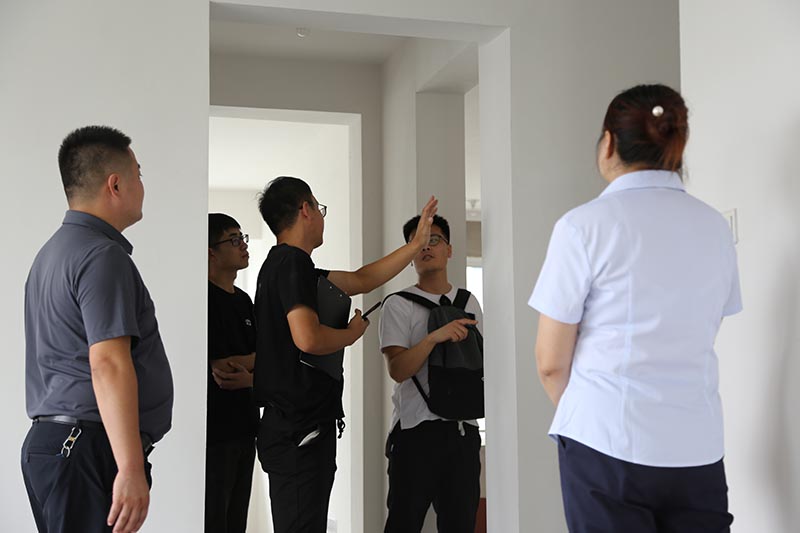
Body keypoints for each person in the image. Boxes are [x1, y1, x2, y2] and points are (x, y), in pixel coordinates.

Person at [529, 84, 741, 532]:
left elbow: (550, 363)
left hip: (606, 443)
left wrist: (593, 413)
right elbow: (703, 328)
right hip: (697, 447)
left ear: (608, 143)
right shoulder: (715, 228)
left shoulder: (583, 227)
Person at [254, 176, 438, 533]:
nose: (322, 217)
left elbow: (361, 279)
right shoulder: (292, 263)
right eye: (319, 208)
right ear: (306, 209)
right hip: (299, 430)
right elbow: (308, 338)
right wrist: (351, 335)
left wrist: (416, 245)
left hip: (294, 428)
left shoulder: (286, 266)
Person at [22, 125, 174, 533]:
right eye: (138, 174)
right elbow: (107, 362)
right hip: (84, 448)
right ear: (115, 184)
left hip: (58, 445)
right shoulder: (101, 256)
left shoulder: (51, 255)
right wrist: (130, 467)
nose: (142, 185)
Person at [379, 214, 483, 533]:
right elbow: (398, 370)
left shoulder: (468, 302)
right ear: (411, 254)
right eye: (419, 242)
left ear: (449, 250)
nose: (426, 247)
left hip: (463, 432)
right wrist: (433, 338)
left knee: (460, 525)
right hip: (415, 433)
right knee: (403, 524)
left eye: (434, 240)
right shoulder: (398, 304)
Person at [206, 213, 259, 533]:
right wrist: (255, 360)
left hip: (246, 427)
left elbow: (264, 357)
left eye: (243, 238)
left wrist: (249, 361)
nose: (243, 246)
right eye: (234, 239)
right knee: (215, 521)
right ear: (211, 251)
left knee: (236, 522)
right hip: (215, 433)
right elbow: (220, 368)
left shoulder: (244, 300)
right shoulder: (203, 299)